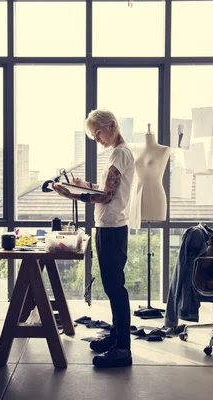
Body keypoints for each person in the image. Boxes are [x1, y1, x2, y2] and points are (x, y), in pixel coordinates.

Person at [52, 109, 135, 369]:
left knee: (115, 288)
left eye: (98, 132)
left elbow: (108, 196)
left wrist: (71, 194)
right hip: (109, 225)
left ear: (111, 125)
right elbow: (105, 189)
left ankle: (123, 349)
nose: (96, 138)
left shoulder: (120, 153)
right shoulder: (117, 153)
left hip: (112, 227)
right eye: (93, 135)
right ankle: (116, 337)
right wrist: (84, 186)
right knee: (112, 287)